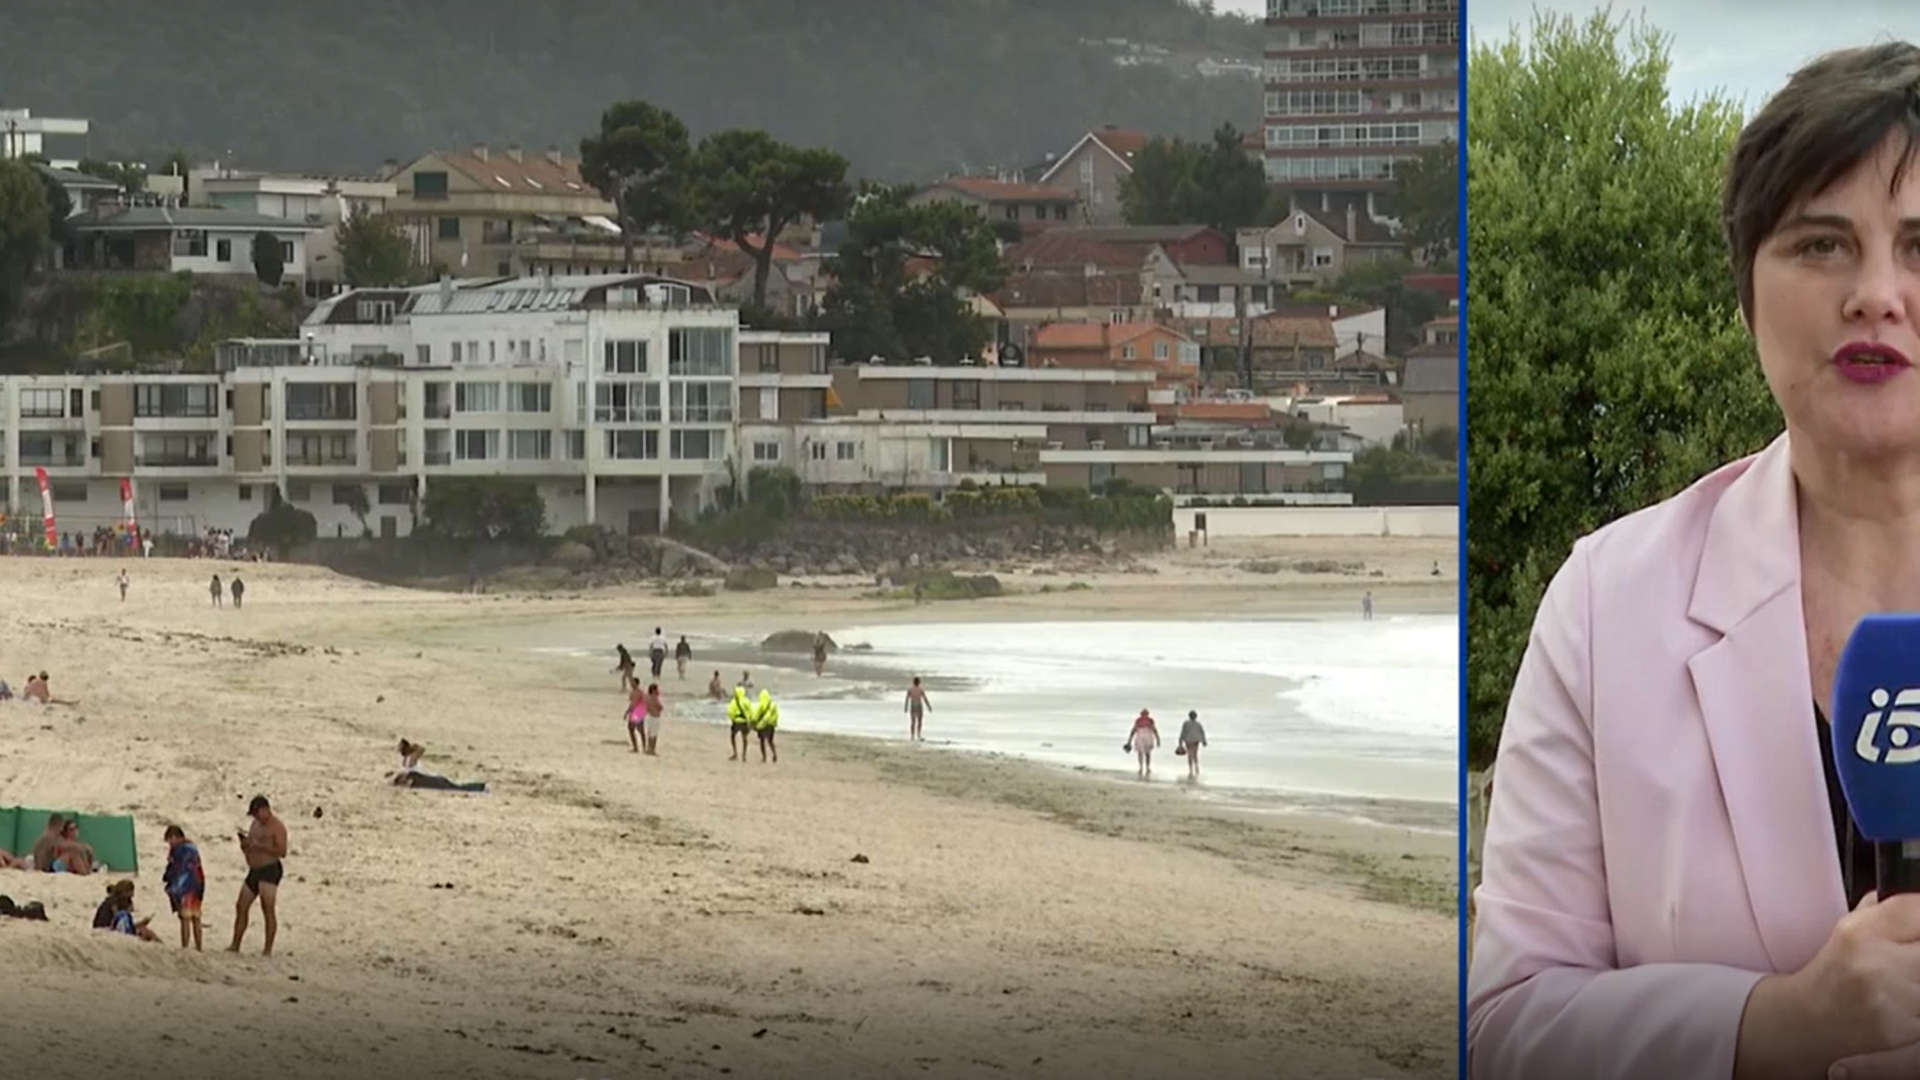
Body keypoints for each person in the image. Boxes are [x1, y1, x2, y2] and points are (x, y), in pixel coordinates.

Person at [1469, 43, 1920, 1080]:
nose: (1876, 295)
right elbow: (1503, 1024)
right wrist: (1777, 1025)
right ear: (1746, 286)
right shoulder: (1606, 604)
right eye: (1821, 245)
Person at [229, 795, 287, 957]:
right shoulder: (255, 824)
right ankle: (235, 944)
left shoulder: (277, 827)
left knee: (267, 908)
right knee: (241, 905)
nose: (255, 817)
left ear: (265, 810)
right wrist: (246, 845)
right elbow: (252, 846)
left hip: (270, 869)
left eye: (257, 813)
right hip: (254, 870)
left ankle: (267, 949)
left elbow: (282, 851)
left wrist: (259, 846)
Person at [161, 826, 204, 951]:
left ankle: (185, 947)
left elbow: (178, 870)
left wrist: (171, 885)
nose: (169, 844)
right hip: (198, 884)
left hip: (186, 886)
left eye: (169, 840)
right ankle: (199, 947)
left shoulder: (180, 850)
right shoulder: (192, 847)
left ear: (174, 837)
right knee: (196, 917)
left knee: (185, 917)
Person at [390, 739, 489, 792]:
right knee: (457, 787)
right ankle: (480, 787)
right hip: (431, 779)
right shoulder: (406, 761)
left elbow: (421, 749)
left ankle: (481, 787)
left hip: (433, 780)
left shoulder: (410, 760)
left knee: (457, 787)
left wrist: (413, 748)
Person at [1125, 709, 1159, 780]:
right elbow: (1155, 730)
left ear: (1141, 714)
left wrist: (1129, 740)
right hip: (1148, 737)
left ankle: (1141, 767)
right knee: (1148, 753)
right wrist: (1158, 739)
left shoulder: (1138, 720)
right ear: (1147, 714)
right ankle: (1147, 767)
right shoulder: (1150, 721)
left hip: (1140, 736)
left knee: (1140, 753)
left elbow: (1133, 730)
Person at [1176, 710, 1207, 780]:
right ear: (1196, 717)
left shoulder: (1186, 723)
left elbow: (1183, 732)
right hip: (1196, 740)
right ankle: (1196, 767)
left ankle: (1191, 769)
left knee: (1190, 754)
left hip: (1188, 740)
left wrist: (1180, 741)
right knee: (1195, 754)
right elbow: (1202, 732)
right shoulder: (1198, 724)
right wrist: (1204, 741)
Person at [752, 688, 780, 764]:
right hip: (771, 725)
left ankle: (764, 757)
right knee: (770, 741)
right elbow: (776, 715)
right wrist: (774, 723)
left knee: (762, 741)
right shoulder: (773, 705)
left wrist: (754, 723)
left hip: (762, 725)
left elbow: (756, 715)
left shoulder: (761, 704)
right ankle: (774, 753)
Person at [726, 685, 753, 762]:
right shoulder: (746, 701)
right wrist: (750, 720)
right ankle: (744, 755)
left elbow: (730, 712)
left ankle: (735, 753)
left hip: (736, 722)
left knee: (733, 736)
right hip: (744, 722)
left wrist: (733, 719)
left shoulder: (734, 702)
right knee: (744, 738)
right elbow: (751, 711)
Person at [904, 677, 932, 741]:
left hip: (913, 704)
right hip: (918, 704)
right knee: (919, 721)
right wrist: (928, 706)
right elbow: (925, 698)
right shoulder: (920, 689)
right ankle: (918, 734)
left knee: (913, 721)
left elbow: (907, 699)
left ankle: (913, 735)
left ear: (913, 682)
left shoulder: (910, 689)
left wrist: (906, 707)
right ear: (919, 682)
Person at [642, 682, 666, 755]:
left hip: (649, 716)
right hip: (655, 717)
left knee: (649, 734)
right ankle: (652, 749)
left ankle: (648, 748)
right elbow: (660, 707)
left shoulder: (646, 697)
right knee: (654, 734)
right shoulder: (654, 698)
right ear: (654, 690)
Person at [624, 684, 648, 754]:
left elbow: (644, 703)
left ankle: (643, 747)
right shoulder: (632, 692)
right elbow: (631, 703)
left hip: (638, 713)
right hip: (634, 712)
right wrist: (627, 712)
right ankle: (636, 747)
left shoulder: (640, 693)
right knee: (632, 729)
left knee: (640, 730)